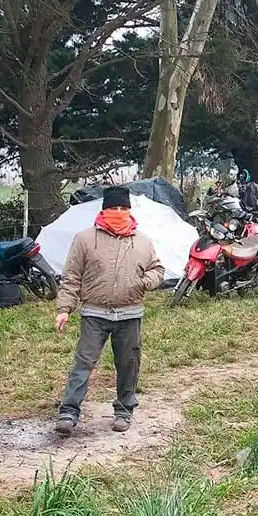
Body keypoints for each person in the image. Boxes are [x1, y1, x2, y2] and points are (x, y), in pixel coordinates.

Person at [54, 186, 165, 435]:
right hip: (94, 313)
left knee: (128, 364)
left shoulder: (142, 241)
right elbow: (71, 276)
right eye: (114, 208)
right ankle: (68, 412)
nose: (119, 212)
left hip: (130, 314)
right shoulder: (84, 239)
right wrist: (64, 308)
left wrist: (146, 281)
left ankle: (124, 411)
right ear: (104, 209)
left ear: (130, 211)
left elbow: (158, 270)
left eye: (123, 208)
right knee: (83, 363)